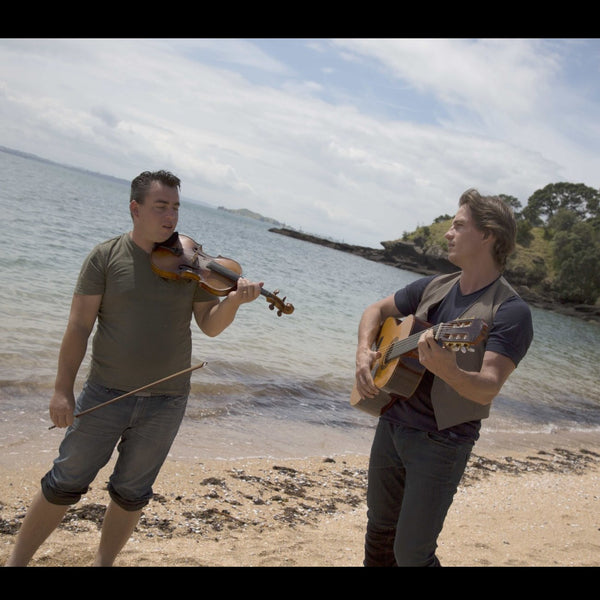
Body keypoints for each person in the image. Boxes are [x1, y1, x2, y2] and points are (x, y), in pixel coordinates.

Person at [5, 170, 263, 567]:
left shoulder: (190, 262)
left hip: (167, 400)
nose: (171, 217)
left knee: (132, 492)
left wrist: (232, 303)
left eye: (175, 207)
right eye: (161, 207)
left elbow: (209, 325)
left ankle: (103, 564)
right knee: (64, 482)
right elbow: (78, 327)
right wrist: (62, 390)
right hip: (106, 393)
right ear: (135, 209)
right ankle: (16, 561)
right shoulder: (106, 257)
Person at [354, 188, 533, 567]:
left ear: (487, 235)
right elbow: (375, 309)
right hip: (392, 424)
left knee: (412, 553)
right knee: (378, 533)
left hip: (442, 440)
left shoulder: (511, 311)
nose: (448, 233)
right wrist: (363, 354)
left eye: (458, 225)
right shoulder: (435, 285)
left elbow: (488, 388)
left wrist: (448, 370)